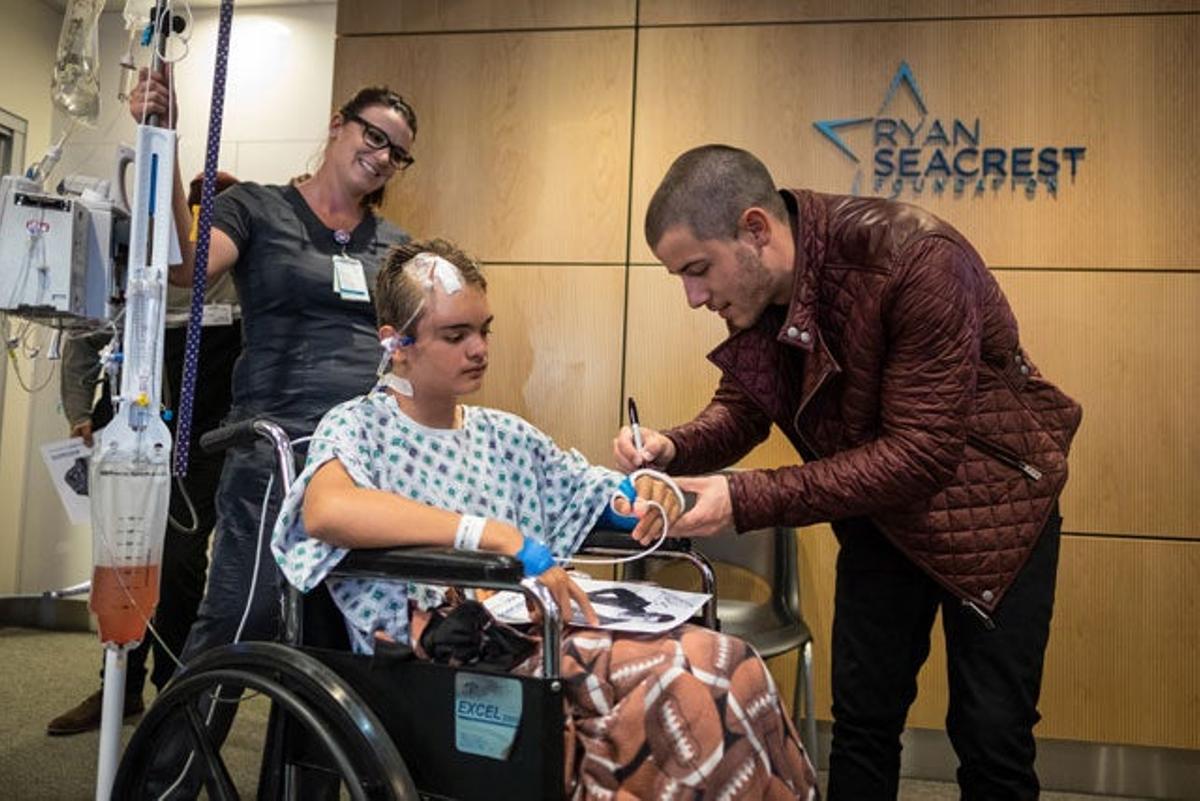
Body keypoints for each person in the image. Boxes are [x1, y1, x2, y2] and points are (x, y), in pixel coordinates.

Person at [614, 145, 1083, 801]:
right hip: (880, 519)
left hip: (994, 523)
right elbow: (743, 409)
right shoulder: (764, 292)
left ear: (756, 229)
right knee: (862, 725)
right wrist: (672, 446)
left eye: (698, 270)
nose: (694, 297)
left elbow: (920, 452)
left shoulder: (918, 260)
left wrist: (744, 498)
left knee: (992, 737)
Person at [272, 238, 818, 800]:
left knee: (731, 661)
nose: (479, 349)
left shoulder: (503, 435)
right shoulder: (359, 427)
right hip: (444, 656)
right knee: (687, 682)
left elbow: (590, 493)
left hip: (533, 630)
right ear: (396, 344)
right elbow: (328, 509)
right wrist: (490, 534)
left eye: (484, 330)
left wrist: (642, 494)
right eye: (456, 336)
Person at [128, 67, 415, 795]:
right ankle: (162, 787)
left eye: (398, 152)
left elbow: (416, 344)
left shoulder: (395, 247)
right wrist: (164, 139)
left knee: (330, 652)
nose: (382, 155)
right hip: (272, 458)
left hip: (358, 470)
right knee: (236, 624)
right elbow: (183, 267)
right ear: (338, 125)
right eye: (374, 135)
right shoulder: (255, 208)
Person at [46, 171, 243, 736]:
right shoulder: (142, 263)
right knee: (122, 556)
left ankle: (175, 691)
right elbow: (86, 338)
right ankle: (121, 686)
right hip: (129, 428)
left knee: (179, 563)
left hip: (206, 438)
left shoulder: (240, 276)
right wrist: (79, 411)